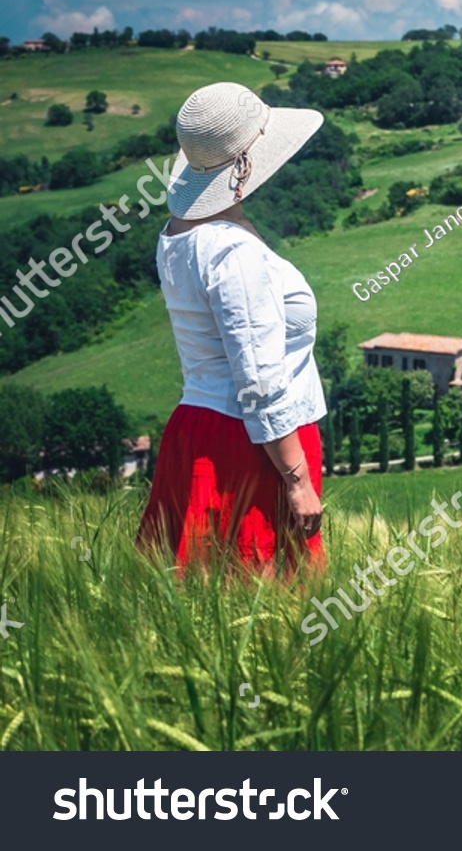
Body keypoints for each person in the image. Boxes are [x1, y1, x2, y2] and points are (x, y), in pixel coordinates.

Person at [136, 82, 328, 575]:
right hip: (255, 444)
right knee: (263, 604)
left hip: (198, 430)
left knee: (197, 598)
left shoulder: (179, 235)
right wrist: (296, 478)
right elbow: (259, 381)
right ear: (244, 166)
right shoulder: (233, 253)